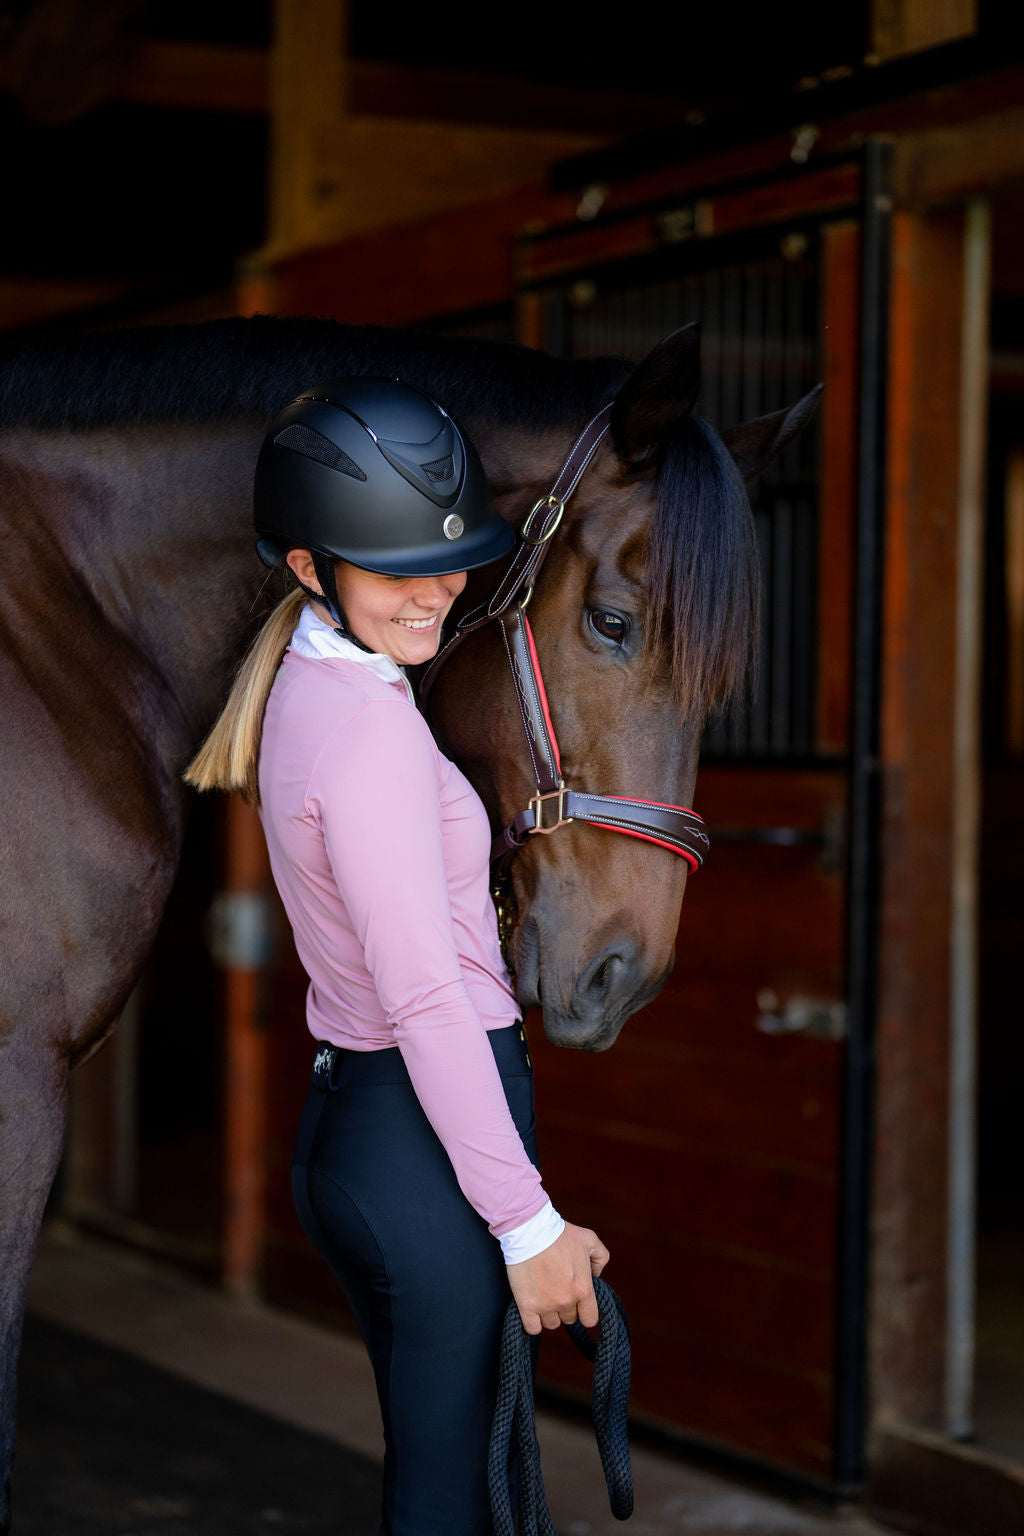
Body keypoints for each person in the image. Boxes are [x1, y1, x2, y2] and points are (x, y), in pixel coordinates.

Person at [185, 377, 609, 1534]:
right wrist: (526, 1225)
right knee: (445, 1503)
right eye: (392, 568)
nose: (435, 594)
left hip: (381, 1134)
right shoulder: (367, 727)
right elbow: (423, 995)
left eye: (450, 559)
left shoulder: (326, 688)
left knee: (451, 1484)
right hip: (420, 1148)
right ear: (312, 568)